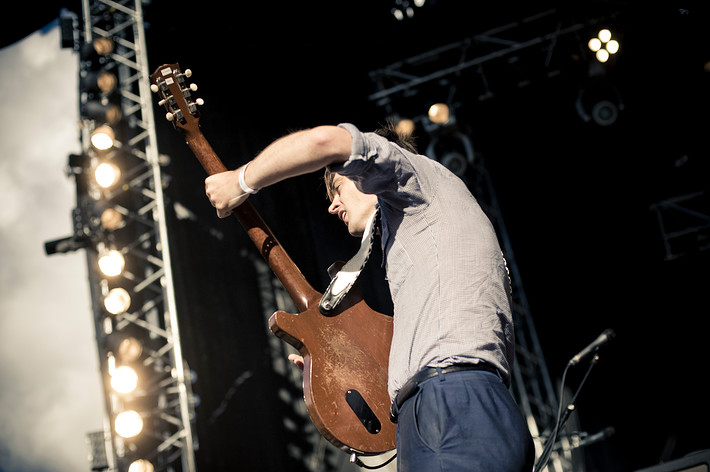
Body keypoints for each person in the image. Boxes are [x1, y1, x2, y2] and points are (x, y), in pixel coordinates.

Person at [205, 122, 535, 471]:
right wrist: (346, 368)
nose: (333, 206)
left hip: (452, 405)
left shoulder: (412, 173)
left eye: (338, 187)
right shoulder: (427, 233)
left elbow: (325, 140)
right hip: (457, 408)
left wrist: (241, 180)